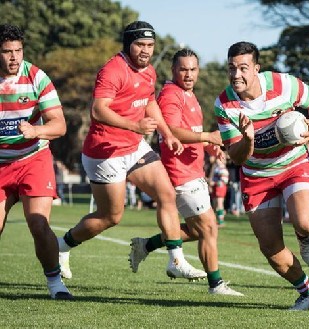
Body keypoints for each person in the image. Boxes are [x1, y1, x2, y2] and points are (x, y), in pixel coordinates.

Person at [57, 21, 206, 282]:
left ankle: (176, 261)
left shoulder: (149, 71)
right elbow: (98, 110)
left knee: (166, 194)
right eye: (140, 45)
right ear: (128, 45)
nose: (146, 51)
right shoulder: (113, 70)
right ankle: (63, 246)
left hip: (134, 146)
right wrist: (134, 125)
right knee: (110, 216)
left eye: (150, 45)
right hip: (106, 152)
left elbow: (149, 102)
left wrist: (167, 133)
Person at [214, 41, 309, 310]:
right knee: (271, 248)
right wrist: (248, 140)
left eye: (243, 68)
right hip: (256, 174)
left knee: (307, 223)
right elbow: (237, 157)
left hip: (292, 164)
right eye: (231, 68)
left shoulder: (283, 85)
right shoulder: (224, 104)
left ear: (256, 68)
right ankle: (307, 291)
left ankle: (303, 235)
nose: (236, 74)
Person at [129, 48, 242, 295]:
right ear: (173, 70)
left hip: (193, 171)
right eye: (183, 69)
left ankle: (146, 245)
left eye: (193, 69)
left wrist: (210, 148)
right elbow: (169, 129)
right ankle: (216, 285)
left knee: (196, 230)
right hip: (181, 173)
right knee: (209, 227)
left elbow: (189, 132)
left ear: (198, 71)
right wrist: (207, 136)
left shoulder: (188, 94)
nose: (188, 74)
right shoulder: (171, 95)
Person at [0, 24, 72, 300]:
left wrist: (36, 131)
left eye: (18, 50)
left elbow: (60, 125)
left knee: (38, 224)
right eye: (7, 51)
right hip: (1, 164)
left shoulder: (36, 77)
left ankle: (55, 283)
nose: (14, 57)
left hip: (33, 158)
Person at [210, 156, 230, 226]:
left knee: (219, 204)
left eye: (219, 159)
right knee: (215, 204)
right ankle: (217, 220)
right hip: (216, 187)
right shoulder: (216, 168)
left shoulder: (223, 169)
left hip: (220, 187)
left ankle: (221, 221)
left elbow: (224, 180)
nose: (217, 160)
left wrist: (214, 183)